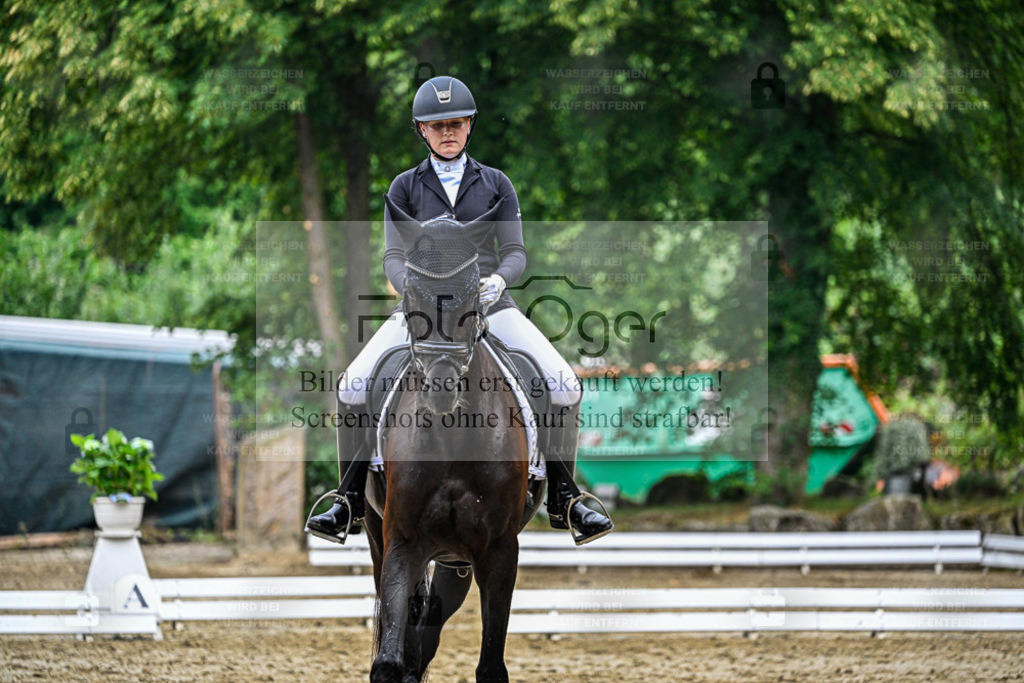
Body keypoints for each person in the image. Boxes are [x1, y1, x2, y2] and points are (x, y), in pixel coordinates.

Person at [305, 75, 613, 544]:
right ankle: (347, 500)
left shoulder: (495, 183)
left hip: (490, 303)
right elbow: (392, 256)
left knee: (564, 382)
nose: (447, 131)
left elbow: (515, 252)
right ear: (422, 131)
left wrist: (497, 281)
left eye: (456, 123)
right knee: (352, 384)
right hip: (423, 307)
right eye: (437, 125)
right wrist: (413, 291)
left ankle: (565, 497)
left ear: (470, 126)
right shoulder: (404, 187)